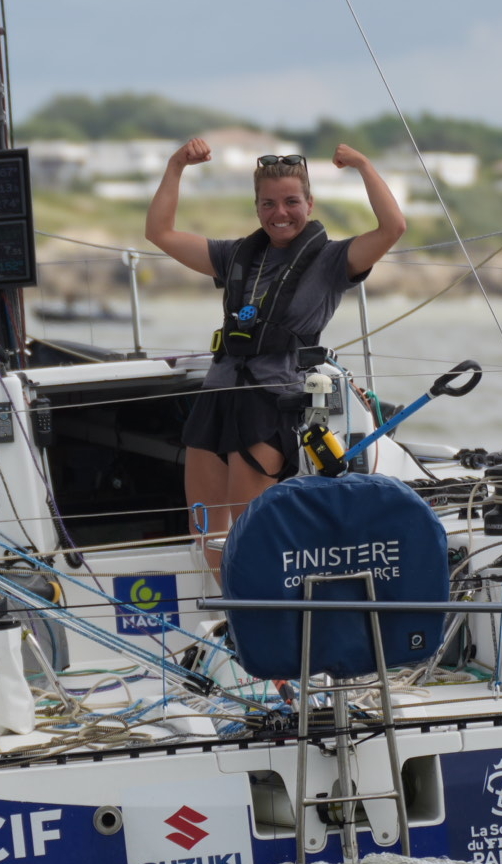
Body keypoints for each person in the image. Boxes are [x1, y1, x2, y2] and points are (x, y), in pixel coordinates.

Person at [145, 138, 406, 575]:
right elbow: (160, 233)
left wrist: (362, 164)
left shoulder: (331, 260)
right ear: (257, 207)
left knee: (251, 529)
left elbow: (393, 228)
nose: (279, 213)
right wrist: (175, 165)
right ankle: (231, 608)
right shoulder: (235, 256)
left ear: (309, 203)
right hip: (217, 397)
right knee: (206, 530)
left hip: (268, 401)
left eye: (291, 202)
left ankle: (260, 607)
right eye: (268, 204)